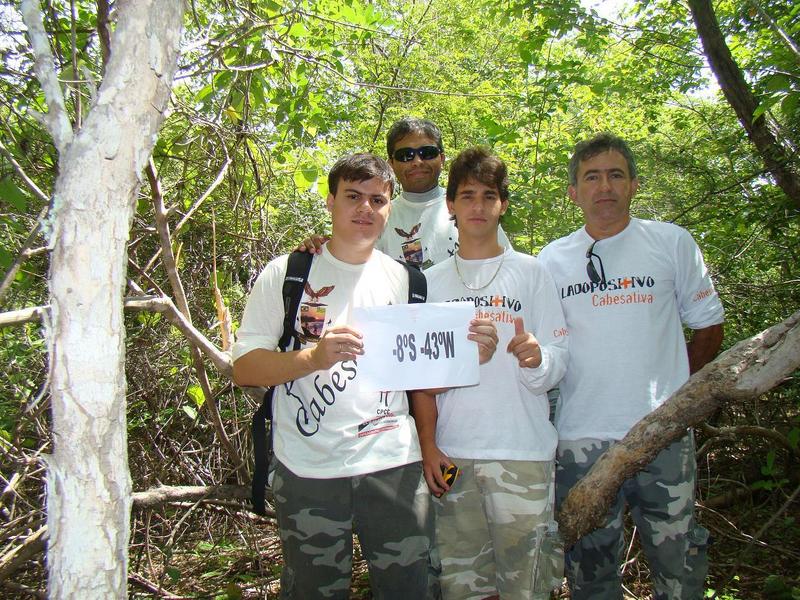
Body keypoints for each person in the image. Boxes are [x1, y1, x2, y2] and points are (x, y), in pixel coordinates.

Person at [232, 153, 433, 599]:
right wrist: (313, 359)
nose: (365, 208)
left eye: (377, 199)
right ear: (330, 202)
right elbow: (244, 369)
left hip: (394, 464)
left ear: (390, 206)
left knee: (410, 589)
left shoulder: (411, 283)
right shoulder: (288, 273)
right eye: (353, 197)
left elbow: (425, 378)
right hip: (309, 469)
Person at [537, 133, 725, 600]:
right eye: (592, 177)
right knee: (589, 566)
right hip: (580, 440)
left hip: (662, 431)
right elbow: (543, 350)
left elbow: (708, 326)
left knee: (676, 560)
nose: (605, 187)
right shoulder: (550, 260)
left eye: (616, 175)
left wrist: (681, 400)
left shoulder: (670, 242)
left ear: (634, 185)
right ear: (573, 191)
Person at [412, 147, 569, 599]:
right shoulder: (428, 281)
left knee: (529, 586)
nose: (477, 206)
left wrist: (538, 358)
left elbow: (559, 356)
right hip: (455, 454)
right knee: (464, 588)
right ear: (450, 206)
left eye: (488, 195)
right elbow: (418, 379)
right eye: (466, 196)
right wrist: (429, 448)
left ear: (502, 204)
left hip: (522, 452)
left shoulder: (532, 273)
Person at [300, 117, 509, 268]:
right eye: (406, 155)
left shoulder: (472, 208)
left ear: (442, 158)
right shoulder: (377, 215)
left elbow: (506, 267)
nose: (417, 162)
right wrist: (318, 249)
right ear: (391, 163)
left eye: (427, 153)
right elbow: (347, 260)